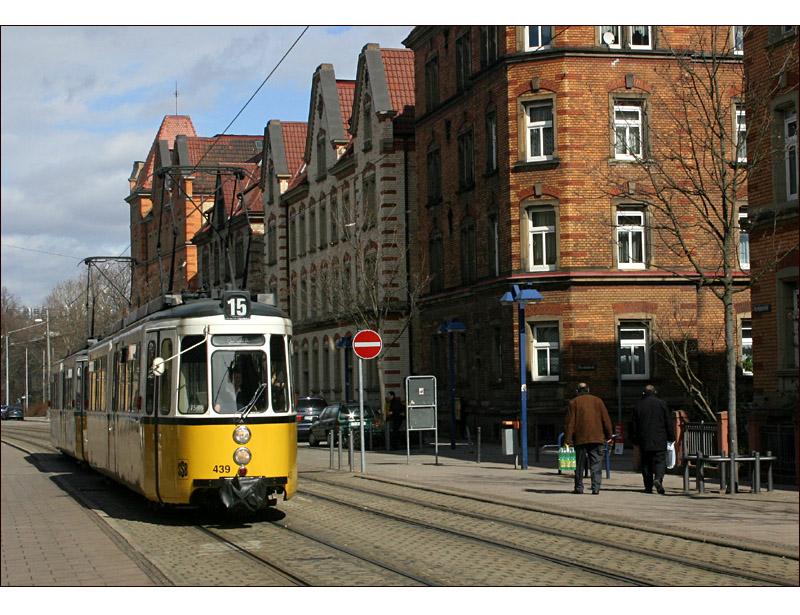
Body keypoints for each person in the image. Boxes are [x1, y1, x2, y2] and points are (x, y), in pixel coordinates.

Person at [563, 382, 613, 495]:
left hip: (580, 439)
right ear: (588, 390)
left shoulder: (573, 402)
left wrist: (567, 441)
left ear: (577, 391)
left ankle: (579, 487)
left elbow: (569, 424)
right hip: (597, 437)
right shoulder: (598, 401)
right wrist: (609, 435)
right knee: (596, 464)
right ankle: (595, 488)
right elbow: (606, 420)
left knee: (579, 465)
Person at [631, 384, 675, 494]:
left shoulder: (638, 405)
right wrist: (671, 437)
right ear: (655, 392)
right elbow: (668, 422)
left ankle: (648, 487)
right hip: (660, 438)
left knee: (646, 463)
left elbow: (634, 425)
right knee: (660, 461)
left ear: (643, 393)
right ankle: (658, 479)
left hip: (644, 439)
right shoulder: (662, 404)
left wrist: (635, 439)